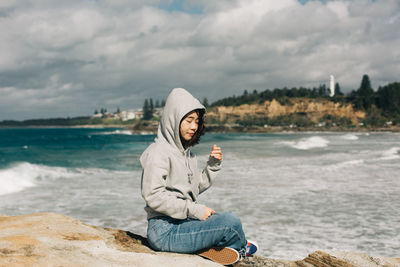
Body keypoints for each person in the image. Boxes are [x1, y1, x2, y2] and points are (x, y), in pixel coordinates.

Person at [140, 88, 258, 265]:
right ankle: (239, 248)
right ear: (173, 119)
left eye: (196, 121)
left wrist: (212, 166)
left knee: (224, 218)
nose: (194, 127)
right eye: (188, 121)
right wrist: (194, 210)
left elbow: (193, 189)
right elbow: (153, 195)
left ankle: (215, 248)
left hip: (184, 224)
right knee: (230, 222)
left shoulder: (187, 154)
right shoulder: (157, 153)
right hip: (164, 231)